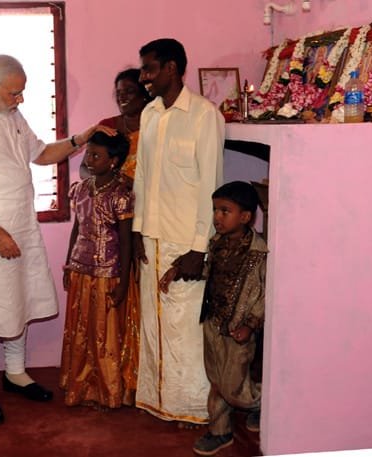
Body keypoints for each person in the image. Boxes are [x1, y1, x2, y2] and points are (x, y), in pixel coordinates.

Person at [0, 54, 113, 425]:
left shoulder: (12, 114)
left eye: (22, 93)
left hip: (20, 225)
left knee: (20, 297)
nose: (20, 100)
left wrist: (82, 138)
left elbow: (42, 153)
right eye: (14, 93)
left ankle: (16, 373)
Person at [132, 38, 224, 427]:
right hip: (151, 238)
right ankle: (159, 401)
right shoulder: (149, 113)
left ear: (171, 68)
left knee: (185, 329)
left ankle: (193, 406)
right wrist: (137, 230)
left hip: (186, 241)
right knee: (154, 325)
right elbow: (141, 175)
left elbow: (211, 186)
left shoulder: (204, 115)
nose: (143, 77)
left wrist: (199, 249)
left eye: (149, 69)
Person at [185, 181, 266, 456]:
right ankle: (220, 431)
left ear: (245, 217)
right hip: (213, 323)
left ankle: (261, 401)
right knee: (217, 381)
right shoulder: (217, 243)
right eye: (215, 210)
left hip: (238, 330)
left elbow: (263, 295)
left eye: (224, 211)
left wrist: (250, 325)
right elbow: (211, 274)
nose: (217, 217)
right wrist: (183, 268)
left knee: (233, 387)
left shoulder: (258, 253)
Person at [59, 131, 139, 409]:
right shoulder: (80, 189)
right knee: (81, 330)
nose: (89, 160)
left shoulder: (121, 195)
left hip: (108, 272)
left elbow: (126, 241)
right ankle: (81, 385)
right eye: (88, 154)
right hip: (81, 268)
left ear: (113, 161)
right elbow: (77, 229)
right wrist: (68, 263)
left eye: (96, 155)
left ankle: (108, 389)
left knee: (105, 333)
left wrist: (124, 282)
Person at [81, 68, 153, 182]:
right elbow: (84, 169)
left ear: (144, 94)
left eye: (129, 91)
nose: (121, 97)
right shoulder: (107, 126)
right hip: (113, 192)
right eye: (119, 93)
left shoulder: (157, 125)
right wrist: (113, 183)